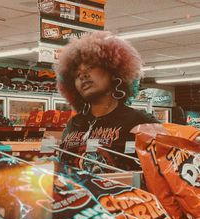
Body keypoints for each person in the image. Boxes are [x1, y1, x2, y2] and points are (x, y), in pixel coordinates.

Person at [55, 31, 158, 173]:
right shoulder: (75, 123)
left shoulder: (138, 121)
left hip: (125, 194)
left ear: (113, 71)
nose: (83, 76)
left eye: (90, 67)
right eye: (77, 75)